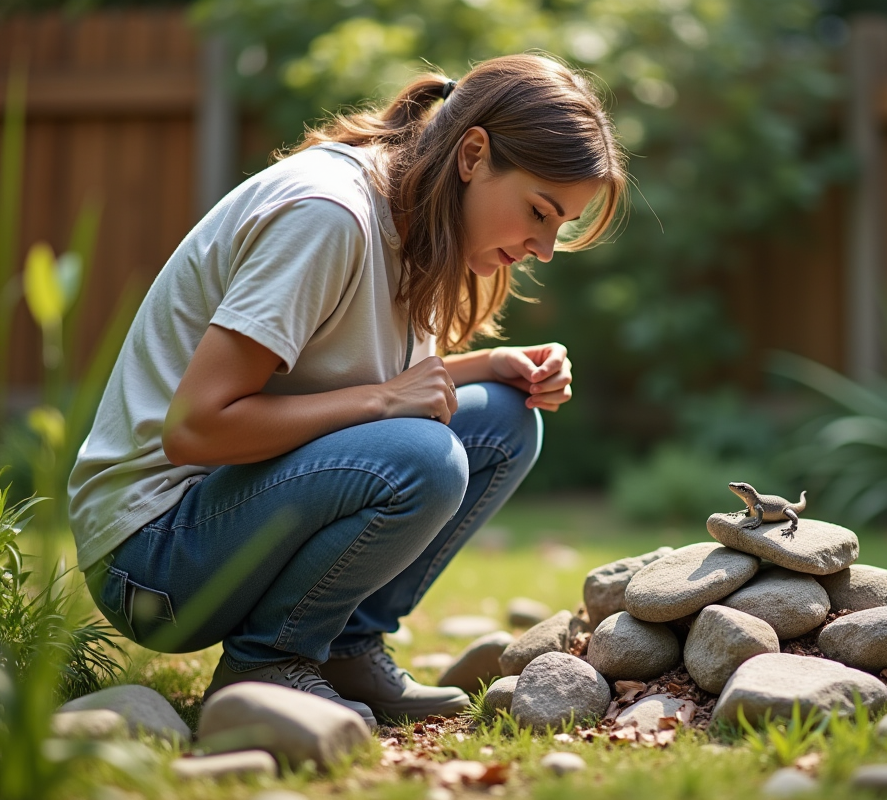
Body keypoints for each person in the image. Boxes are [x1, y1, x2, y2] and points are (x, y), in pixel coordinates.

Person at [67, 54, 628, 727]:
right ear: (473, 154)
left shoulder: (414, 219)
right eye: (540, 212)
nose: (543, 247)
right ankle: (270, 664)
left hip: (224, 517)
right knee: (426, 455)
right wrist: (388, 402)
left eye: (559, 227)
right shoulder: (329, 216)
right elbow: (196, 429)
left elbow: (362, 392)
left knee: (505, 419)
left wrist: (487, 366)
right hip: (153, 563)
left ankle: (342, 649)